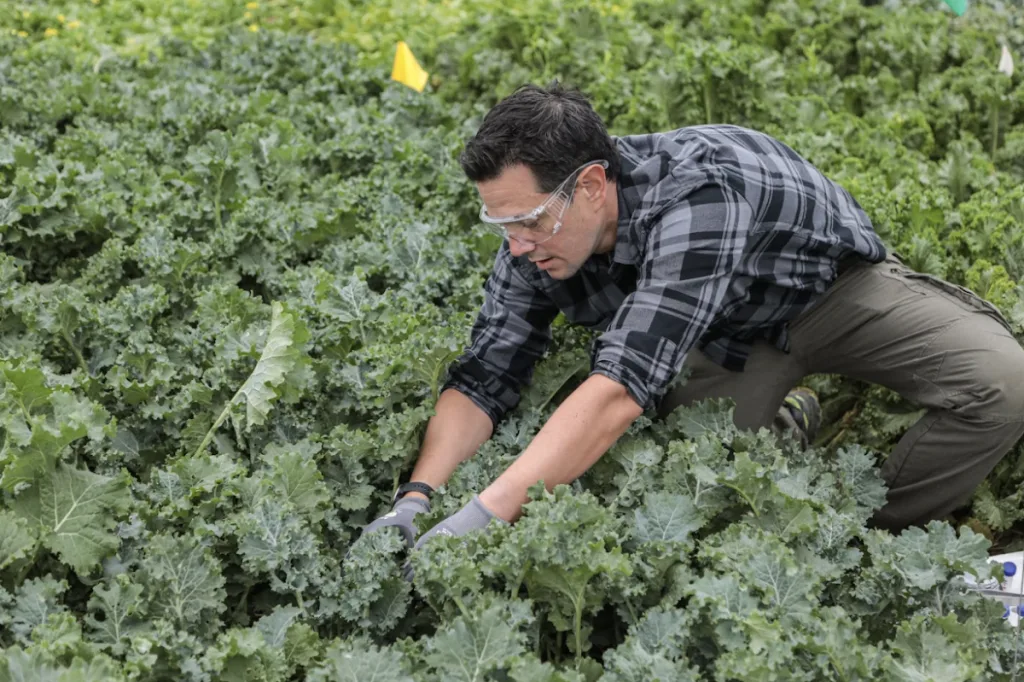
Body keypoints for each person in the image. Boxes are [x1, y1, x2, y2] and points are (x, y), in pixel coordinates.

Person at [361, 82, 1024, 554]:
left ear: (591, 186)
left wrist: (485, 515)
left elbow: (621, 386)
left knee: (1003, 380)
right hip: (722, 334)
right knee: (699, 507)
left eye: (528, 220)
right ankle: (788, 415)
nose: (515, 245)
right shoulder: (536, 237)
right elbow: (484, 378)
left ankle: (867, 539)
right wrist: (418, 498)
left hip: (832, 294)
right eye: (500, 223)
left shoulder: (701, 194)